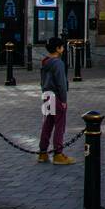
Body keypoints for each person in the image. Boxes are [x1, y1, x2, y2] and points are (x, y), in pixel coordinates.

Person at [38, 37, 73, 165]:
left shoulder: (45, 61)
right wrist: (63, 100)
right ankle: (58, 153)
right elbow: (61, 84)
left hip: (46, 95)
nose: (63, 49)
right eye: (62, 47)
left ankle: (43, 152)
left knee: (47, 123)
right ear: (58, 49)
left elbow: (42, 81)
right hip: (56, 96)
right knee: (59, 124)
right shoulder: (58, 63)